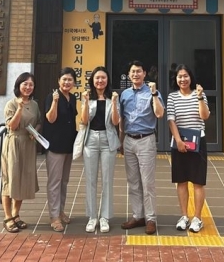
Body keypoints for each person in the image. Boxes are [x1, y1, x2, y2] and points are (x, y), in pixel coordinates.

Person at [119, 60, 165, 235]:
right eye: (133, 71)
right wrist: (121, 141)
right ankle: (138, 216)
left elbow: (159, 114)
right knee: (133, 182)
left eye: (139, 71)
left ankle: (151, 218)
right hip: (129, 140)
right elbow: (122, 120)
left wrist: (154, 94)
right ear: (129, 75)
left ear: (145, 74)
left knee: (147, 182)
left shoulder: (153, 92)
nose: (136, 74)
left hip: (146, 140)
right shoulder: (124, 94)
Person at [167, 64, 210, 233]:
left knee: (198, 182)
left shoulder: (200, 94)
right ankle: (184, 216)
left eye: (186, 76)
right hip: (179, 143)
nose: (183, 79)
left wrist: (199, 97)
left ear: (191, 78)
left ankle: (197, 218)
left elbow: (204, 116)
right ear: (176, 79)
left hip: (198, 143)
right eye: (180, 76)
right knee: (181, 181)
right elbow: (171, 120)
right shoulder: (172, 97)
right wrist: (178, 140)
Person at [81, 66, 120, 233]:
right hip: (90, 139)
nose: (100, 81)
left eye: (103, 78)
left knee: (107, 180)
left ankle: (104, 217)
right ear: (92, 80)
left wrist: (114, 103)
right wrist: (85, 102)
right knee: (90, 179)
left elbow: (116, 122)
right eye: (97, 78)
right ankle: (92, 217)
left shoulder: (113, 97)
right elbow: (84, 121)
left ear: (107, 80)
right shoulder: (87, 97)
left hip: (107, 140)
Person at [1, 72, 42, 233]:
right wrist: (19, 109)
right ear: (19, 85)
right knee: (10, 179)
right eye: (25, 84)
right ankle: (7, 217)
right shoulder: (11, 104)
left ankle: (16, 214)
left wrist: (35, 132)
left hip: (28, 144)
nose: (28, 87)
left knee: (23, 179)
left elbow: (39, 122)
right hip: (14, 143)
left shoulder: (35, 105)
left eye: (31, 84)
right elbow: (12, 126)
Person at [43, 67, 78, 232]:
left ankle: (61, 210)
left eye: (70, 80)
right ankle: (54, 216)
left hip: (68, 145)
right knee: (54, 181)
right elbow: (50, 119)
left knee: (64, 181)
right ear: (59, 81)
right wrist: (55, 102)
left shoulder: (73, 98)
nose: (67, 82)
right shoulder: (52, 96)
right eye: (64, 79)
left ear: (74, 82)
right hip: (55, 145)